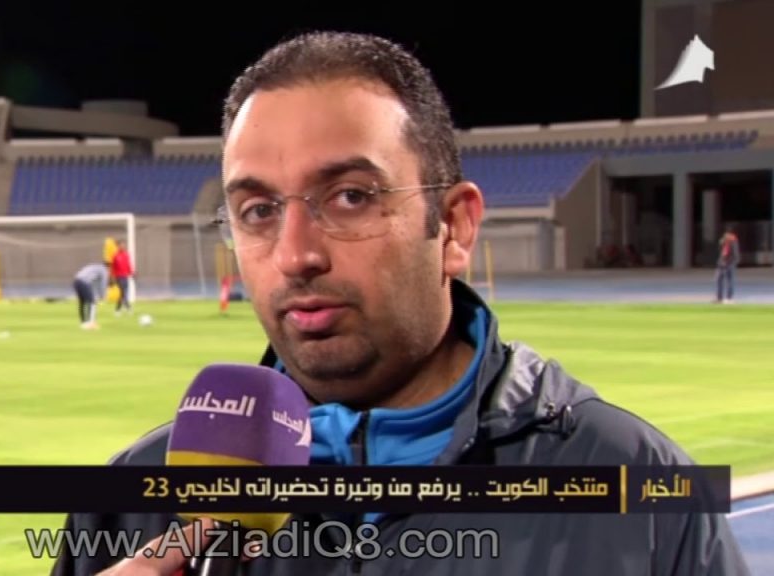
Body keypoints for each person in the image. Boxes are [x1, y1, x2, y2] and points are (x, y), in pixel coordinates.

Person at [52, 31, 748, 575]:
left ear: (454, 227)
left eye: (350, 197)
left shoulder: (636, 487)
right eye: (259, 210)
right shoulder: (133, 500)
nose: (295, 254)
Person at [74, 262, 109, 330]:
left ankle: (83, 323)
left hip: (76, 281)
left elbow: (93, 284)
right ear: (108, 268)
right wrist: (103, 297)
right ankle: (91, 323)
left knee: (82, 303)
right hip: (84, 282)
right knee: (92, 303)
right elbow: (102, 284)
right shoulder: (104, 270)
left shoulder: (94, 266)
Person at [715, 226, 740, 304]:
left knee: (730, 280)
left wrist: (732, 262)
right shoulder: (724, 242)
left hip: (729, 263)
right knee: (719, 280)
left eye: (726, 234)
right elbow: (721, 252)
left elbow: (735, 254)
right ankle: (719, 298)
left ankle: (729, 298)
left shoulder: (733, 241)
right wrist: (721, 243)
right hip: (721, 263)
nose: (725, 236)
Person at [111, 240, 134, 315]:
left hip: (125, 276)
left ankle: (118, 310)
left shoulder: (126, 255)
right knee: (123, 292)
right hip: (119, 277)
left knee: (123, 293)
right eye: (121, 245)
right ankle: (128, 307)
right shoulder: (115, 256)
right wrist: (113, 277)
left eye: (123, 245)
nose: (122, 246)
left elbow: (128, 265)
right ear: (118, 246)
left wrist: (131, 273)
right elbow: (113, 267)